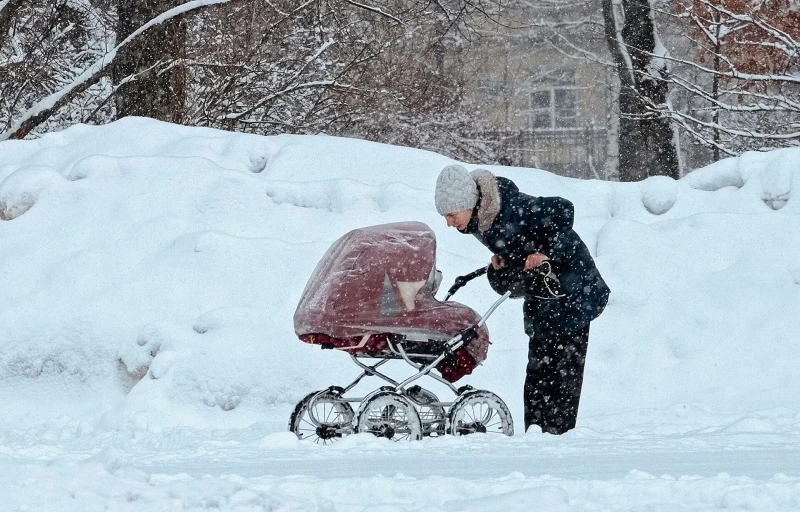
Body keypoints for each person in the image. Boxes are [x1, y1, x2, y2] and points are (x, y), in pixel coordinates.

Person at [434, 164, 610, 435]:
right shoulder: (480, 220)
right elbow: (519, 244)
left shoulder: (511, 208)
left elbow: (564, 210)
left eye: (451, 214)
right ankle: (536, 435)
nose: (448, 222)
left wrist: (545, 252)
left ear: (467, 203)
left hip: (575, 290)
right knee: (538, 371)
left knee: (563, 374)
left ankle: (559, 437)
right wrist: (503, 263)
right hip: (543, 293)